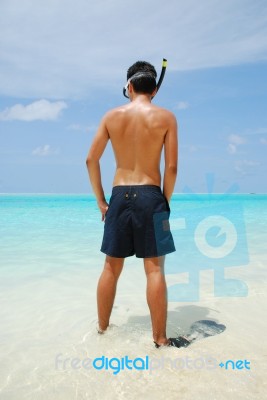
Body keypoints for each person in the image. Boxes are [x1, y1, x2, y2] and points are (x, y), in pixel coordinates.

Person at [86, 61, 179, 348]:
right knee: (154, 270)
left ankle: (102, 331)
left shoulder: (112, 116)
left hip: (119, 195)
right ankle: (160, 340)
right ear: (155, 88)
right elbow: (172, 167)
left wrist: (102, 201)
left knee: (110, 269)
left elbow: (91, 160)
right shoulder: (166, 117)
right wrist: (164, 200)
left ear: (128, 86)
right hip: (151, 195)